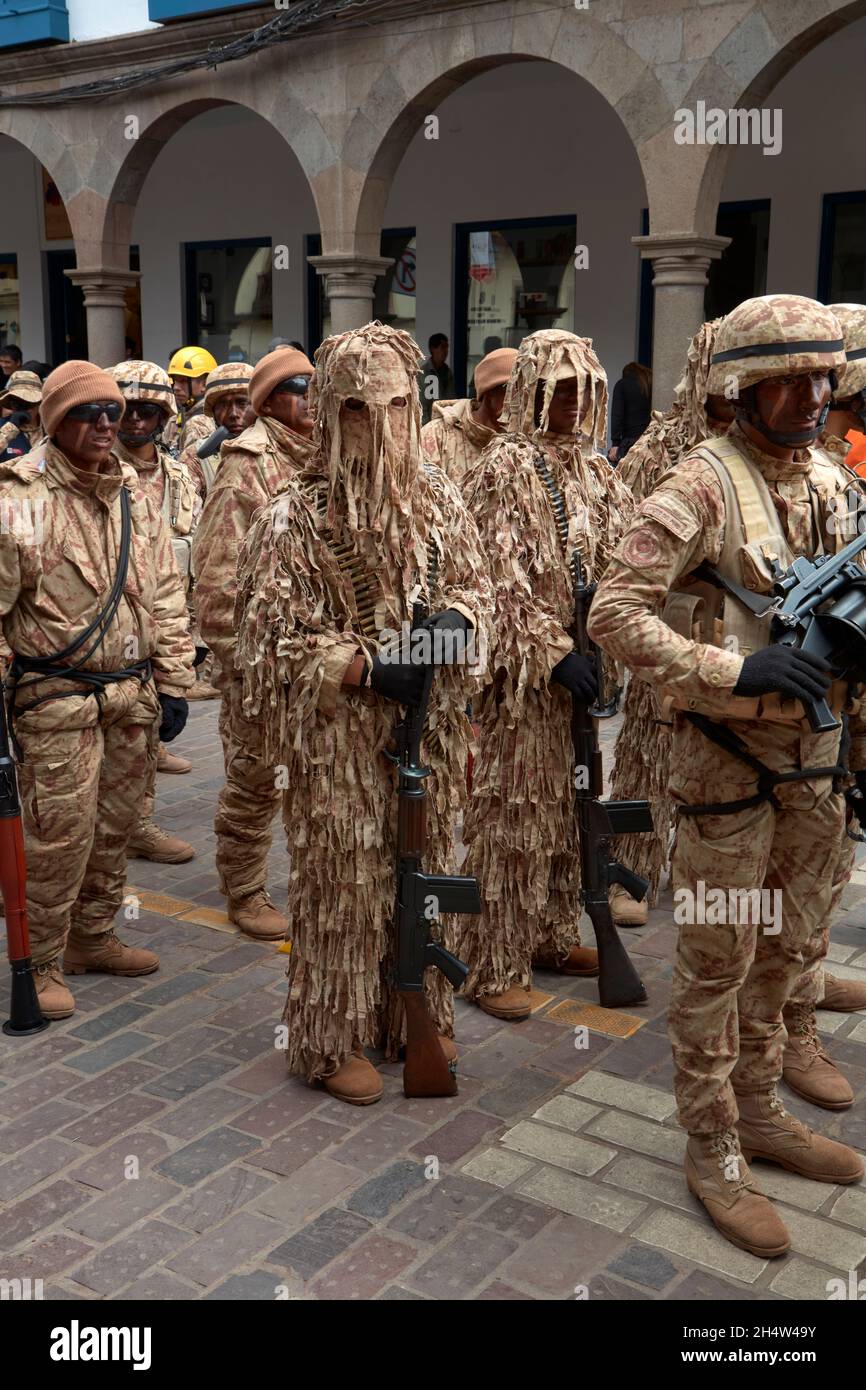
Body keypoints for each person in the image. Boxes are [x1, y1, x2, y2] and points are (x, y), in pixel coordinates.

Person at [588, 296, 865, 1258]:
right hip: (729, 770)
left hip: (815, 765)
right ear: (741, 387)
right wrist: (730, 669)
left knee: (791, 951)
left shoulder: (833, 481)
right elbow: (614, 615)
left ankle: (760, 1112)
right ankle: (712, 1149)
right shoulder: (700, 486)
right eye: (789, 378)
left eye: (822, 377)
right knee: (718, 964)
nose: (812, 395)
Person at [234, 322, 490, 1103]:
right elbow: (269, 640)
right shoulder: (295, 515)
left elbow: (478, 590)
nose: (379, 427)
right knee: (343, 885)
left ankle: (410, 1011)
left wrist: (454, 628)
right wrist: (369, 668)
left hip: (430, 735)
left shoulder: (441, 496)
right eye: (356, 410)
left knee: (423, 873)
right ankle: (328, 1037)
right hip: (340, 743)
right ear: (326, 411)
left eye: (397, 407)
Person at [0, 360, 195, 1019]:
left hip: (129, 695)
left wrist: (172, 679)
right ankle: (46, 959)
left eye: (112, 411)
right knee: (60, 832)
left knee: (115, 829)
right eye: (89, 412)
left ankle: (93, 936)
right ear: (56, 421)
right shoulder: (19, 497)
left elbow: (164, 589)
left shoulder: (132, 491)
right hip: (55, 700)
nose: (107, 423)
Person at [458, 329, 634, 1021]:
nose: (570, 402)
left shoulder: (597, 473)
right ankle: (492, 960)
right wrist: (551, 652)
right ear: (530, 392)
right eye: (557, 389)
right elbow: (491, 581)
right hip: (525, 688)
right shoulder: (503, 469)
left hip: (585, 682)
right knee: (514, 820)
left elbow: (626, 565)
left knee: (569, 819)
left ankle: (553, 937)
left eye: (581, 390)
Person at [606, 321, 730, 927]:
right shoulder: (660, 449)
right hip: (669, 633)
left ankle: (703, 885)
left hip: (740, 646)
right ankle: (628, 871)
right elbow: (619, 539)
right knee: (647, 757)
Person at [192, 348, 316, 942]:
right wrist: (248, 666)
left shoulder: (328, 458)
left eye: (315, 386)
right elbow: (215, 586)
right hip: (260, 668)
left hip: (319, 662)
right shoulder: (246, 465)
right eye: (298, 388)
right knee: (254, 779)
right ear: (268, 400)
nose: (311, 398)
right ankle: (243, 889)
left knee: (316, 778)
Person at [106, 359, 200, 865]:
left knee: (142, 740)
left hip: (162, 624)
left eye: (148, 410)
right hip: (102, 634)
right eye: (126, 409)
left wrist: (183, 660)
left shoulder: (178, 477)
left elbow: (187, 561)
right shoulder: (94, 467)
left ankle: (136, 822)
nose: (135, 421)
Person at [420, 347, 517, 485]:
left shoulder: (522, 440)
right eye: (514, 392)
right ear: (489, 394)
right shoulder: (436, 437)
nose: (521, 402)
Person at [179, 361, 255, 504]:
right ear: (213, 411)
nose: (233, 413)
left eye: (242, 403)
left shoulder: (276, 450)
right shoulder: (195, 458)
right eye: (223, 404)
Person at [163, 346, 218, 452]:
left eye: (183, 381)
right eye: (175, 381)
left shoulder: (200, 423)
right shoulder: (179, 417)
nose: (176, 387)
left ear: (204, 384)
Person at [608, 361, 652, 465]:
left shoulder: (622, 384)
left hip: (630, 443)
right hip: (650, 441)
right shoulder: (650, 384)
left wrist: (615, 443)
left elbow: (617, 415)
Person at [0, 370, 44, 461]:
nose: (23, 409)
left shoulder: (51, 430)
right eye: (17, 403)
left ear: (39, 403)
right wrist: (10, 429)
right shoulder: (2, 426)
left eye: (29, 403)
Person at [418, 333, 456, 425]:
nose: (445, 351)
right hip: (430, 423)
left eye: (447, 347)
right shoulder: (424, 372)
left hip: (447, 421)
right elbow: (423, 404)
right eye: (442, 347)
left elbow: (452, 398)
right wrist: (426, 426)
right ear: (433, 349)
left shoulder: (447, 372)